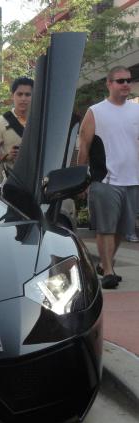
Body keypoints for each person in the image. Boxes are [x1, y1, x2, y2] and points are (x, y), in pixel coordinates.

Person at [77, 66, 139, 289]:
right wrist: (80, 178)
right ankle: (109, 272)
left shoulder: (136, 111)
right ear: (109, 84)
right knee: (106, 228)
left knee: (123, 229)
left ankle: (106, 264)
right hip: (106, 180)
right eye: (120, 81)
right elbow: (84, 146)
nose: (125, 85)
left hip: (132, 180)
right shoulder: (96, 111)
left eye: (128, 81)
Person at [0, 77, 34, 183]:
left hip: (39, 181)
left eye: (27, 94)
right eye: (19, 94)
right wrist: (8, 156)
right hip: (14, 182)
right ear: (13, 96)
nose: (23, 98)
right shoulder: (0, 123)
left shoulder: (42, 121)